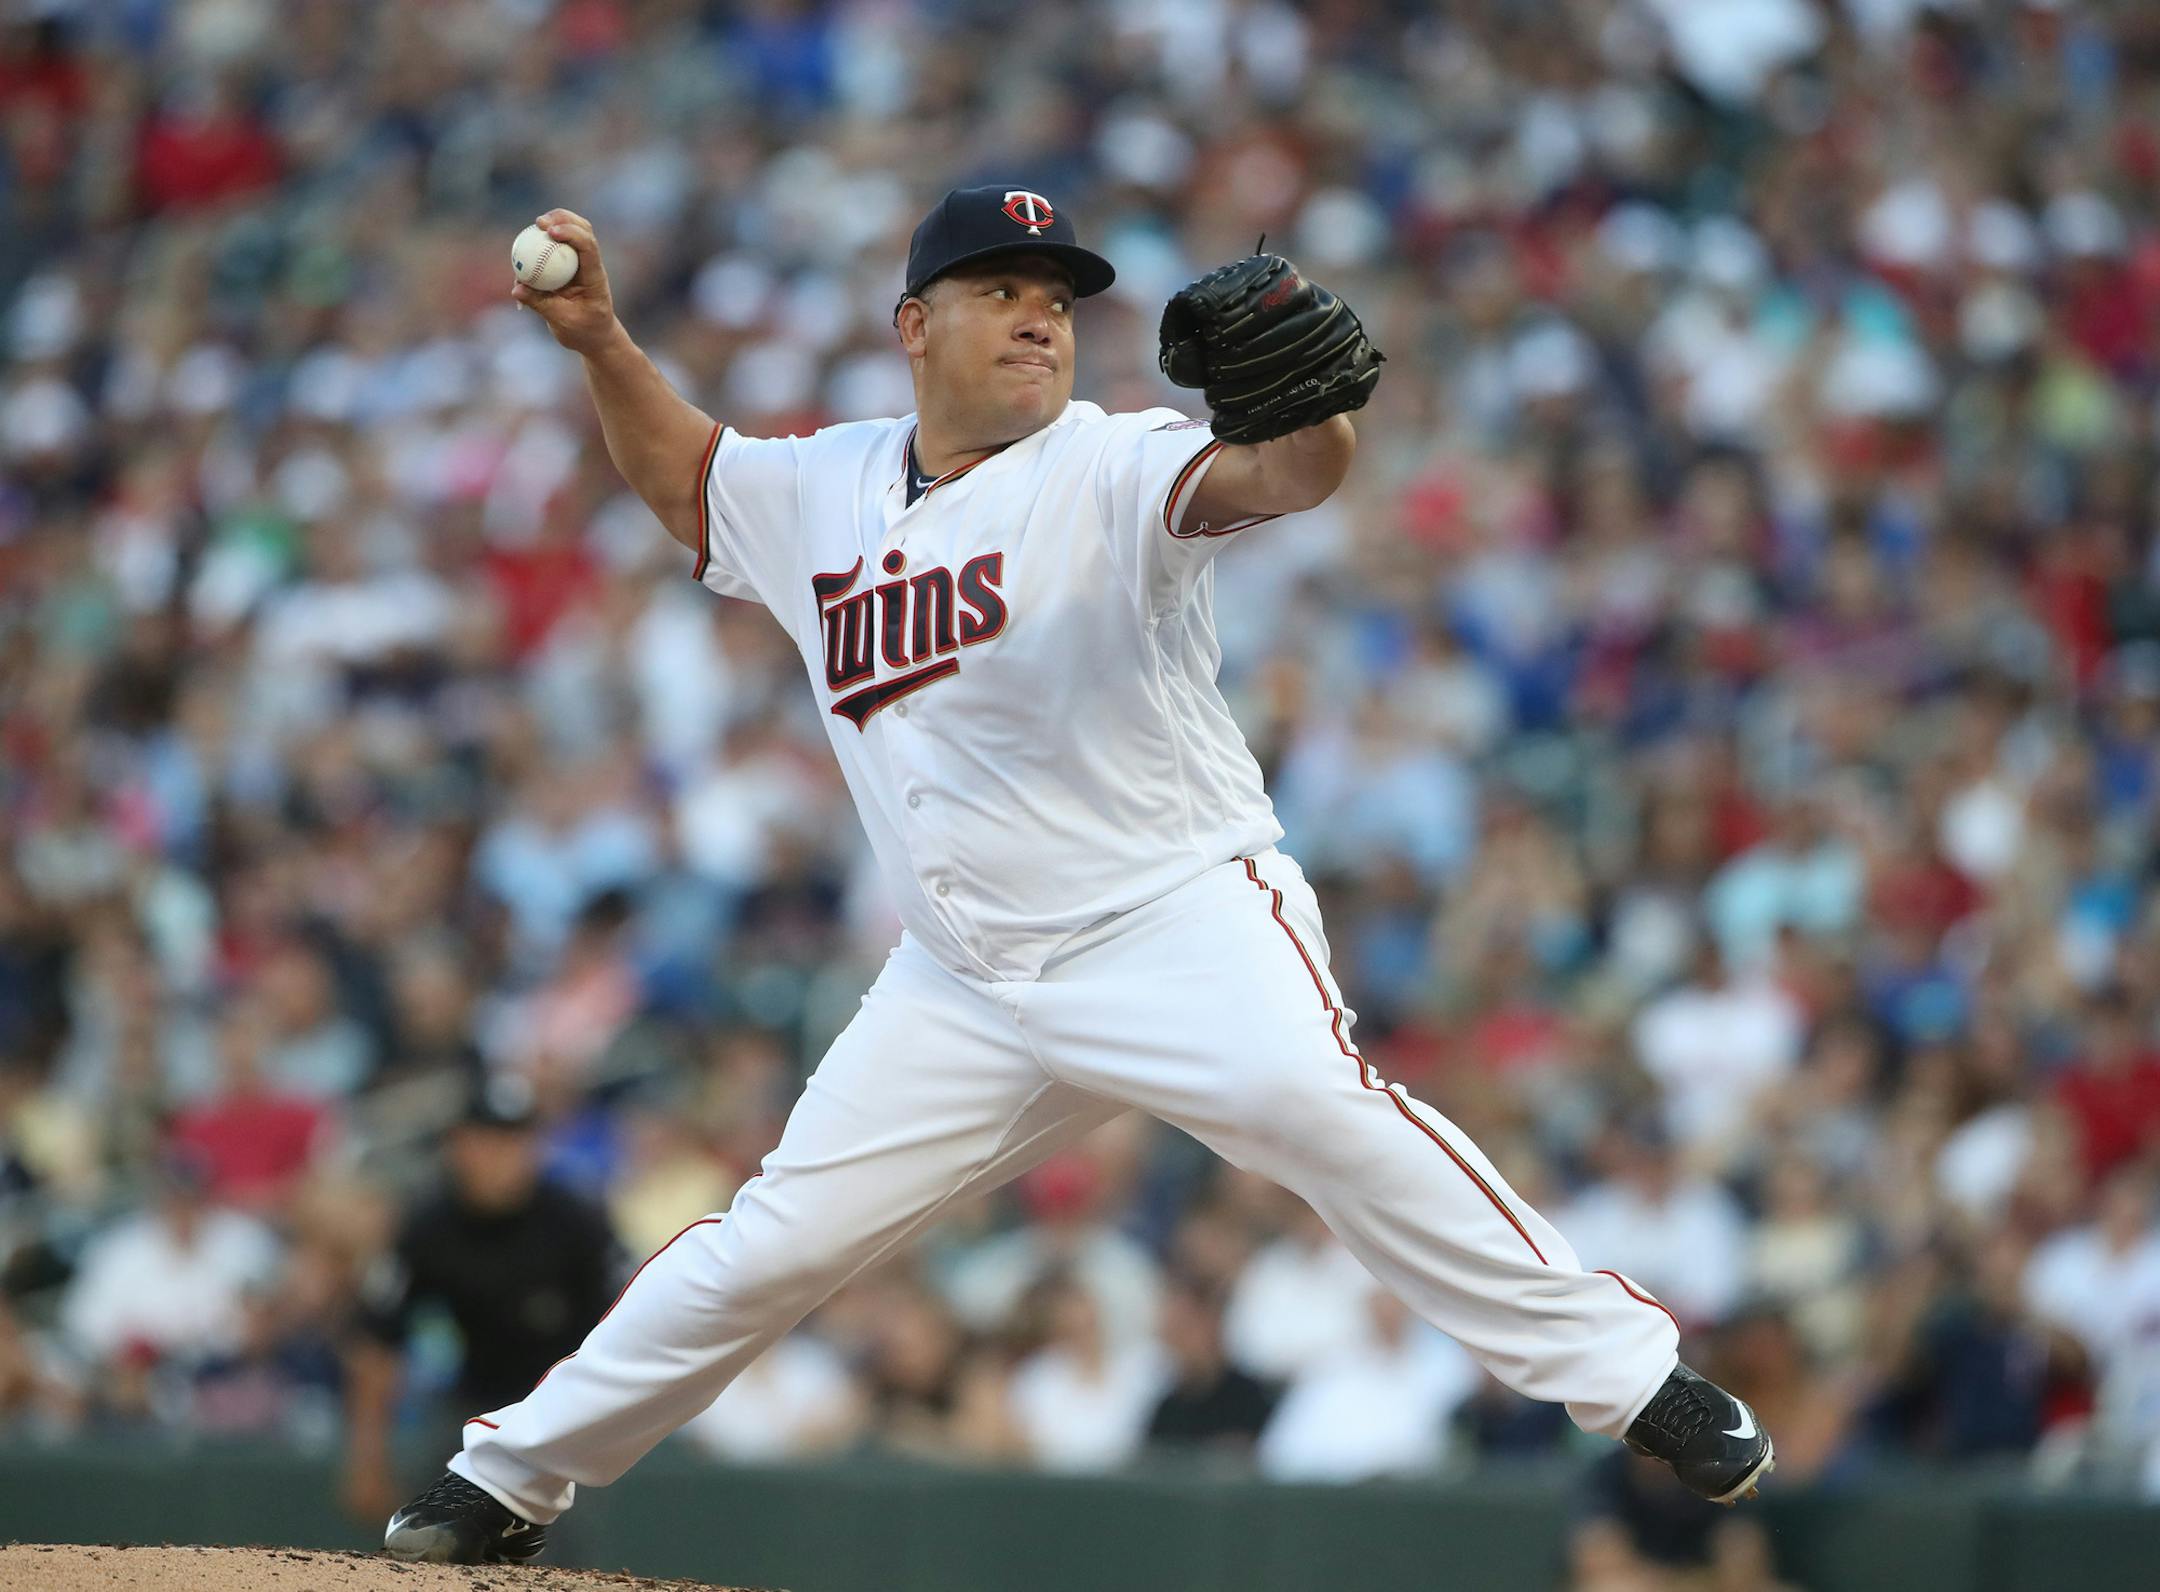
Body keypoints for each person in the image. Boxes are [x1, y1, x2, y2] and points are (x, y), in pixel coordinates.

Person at [385, 186, 1773, 1564]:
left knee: (1316, 1105)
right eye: (1004, 292)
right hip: (964, 981)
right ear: (914, 325)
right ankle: (506, 1481)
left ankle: (1643, 1382)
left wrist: (1310, 413)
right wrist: (603, 348)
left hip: (1172, 920)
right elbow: (685, 478)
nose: (1042, 321)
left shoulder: (1110, 466)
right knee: (777, 1244)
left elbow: (1284, 475)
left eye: (1058, 302)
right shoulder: (821, 486)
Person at [345, 1075, 618, 1531]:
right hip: (470, 1408)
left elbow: (621, 1328)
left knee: (561, 1560)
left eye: (517, 1141)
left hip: (561, 1413)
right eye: (490, 1141)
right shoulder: (428, 1226)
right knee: (428, 1544)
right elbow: (376, 1343)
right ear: (459, 1146)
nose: (505, 1158)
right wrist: (367, 1462)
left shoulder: (575, 1222)